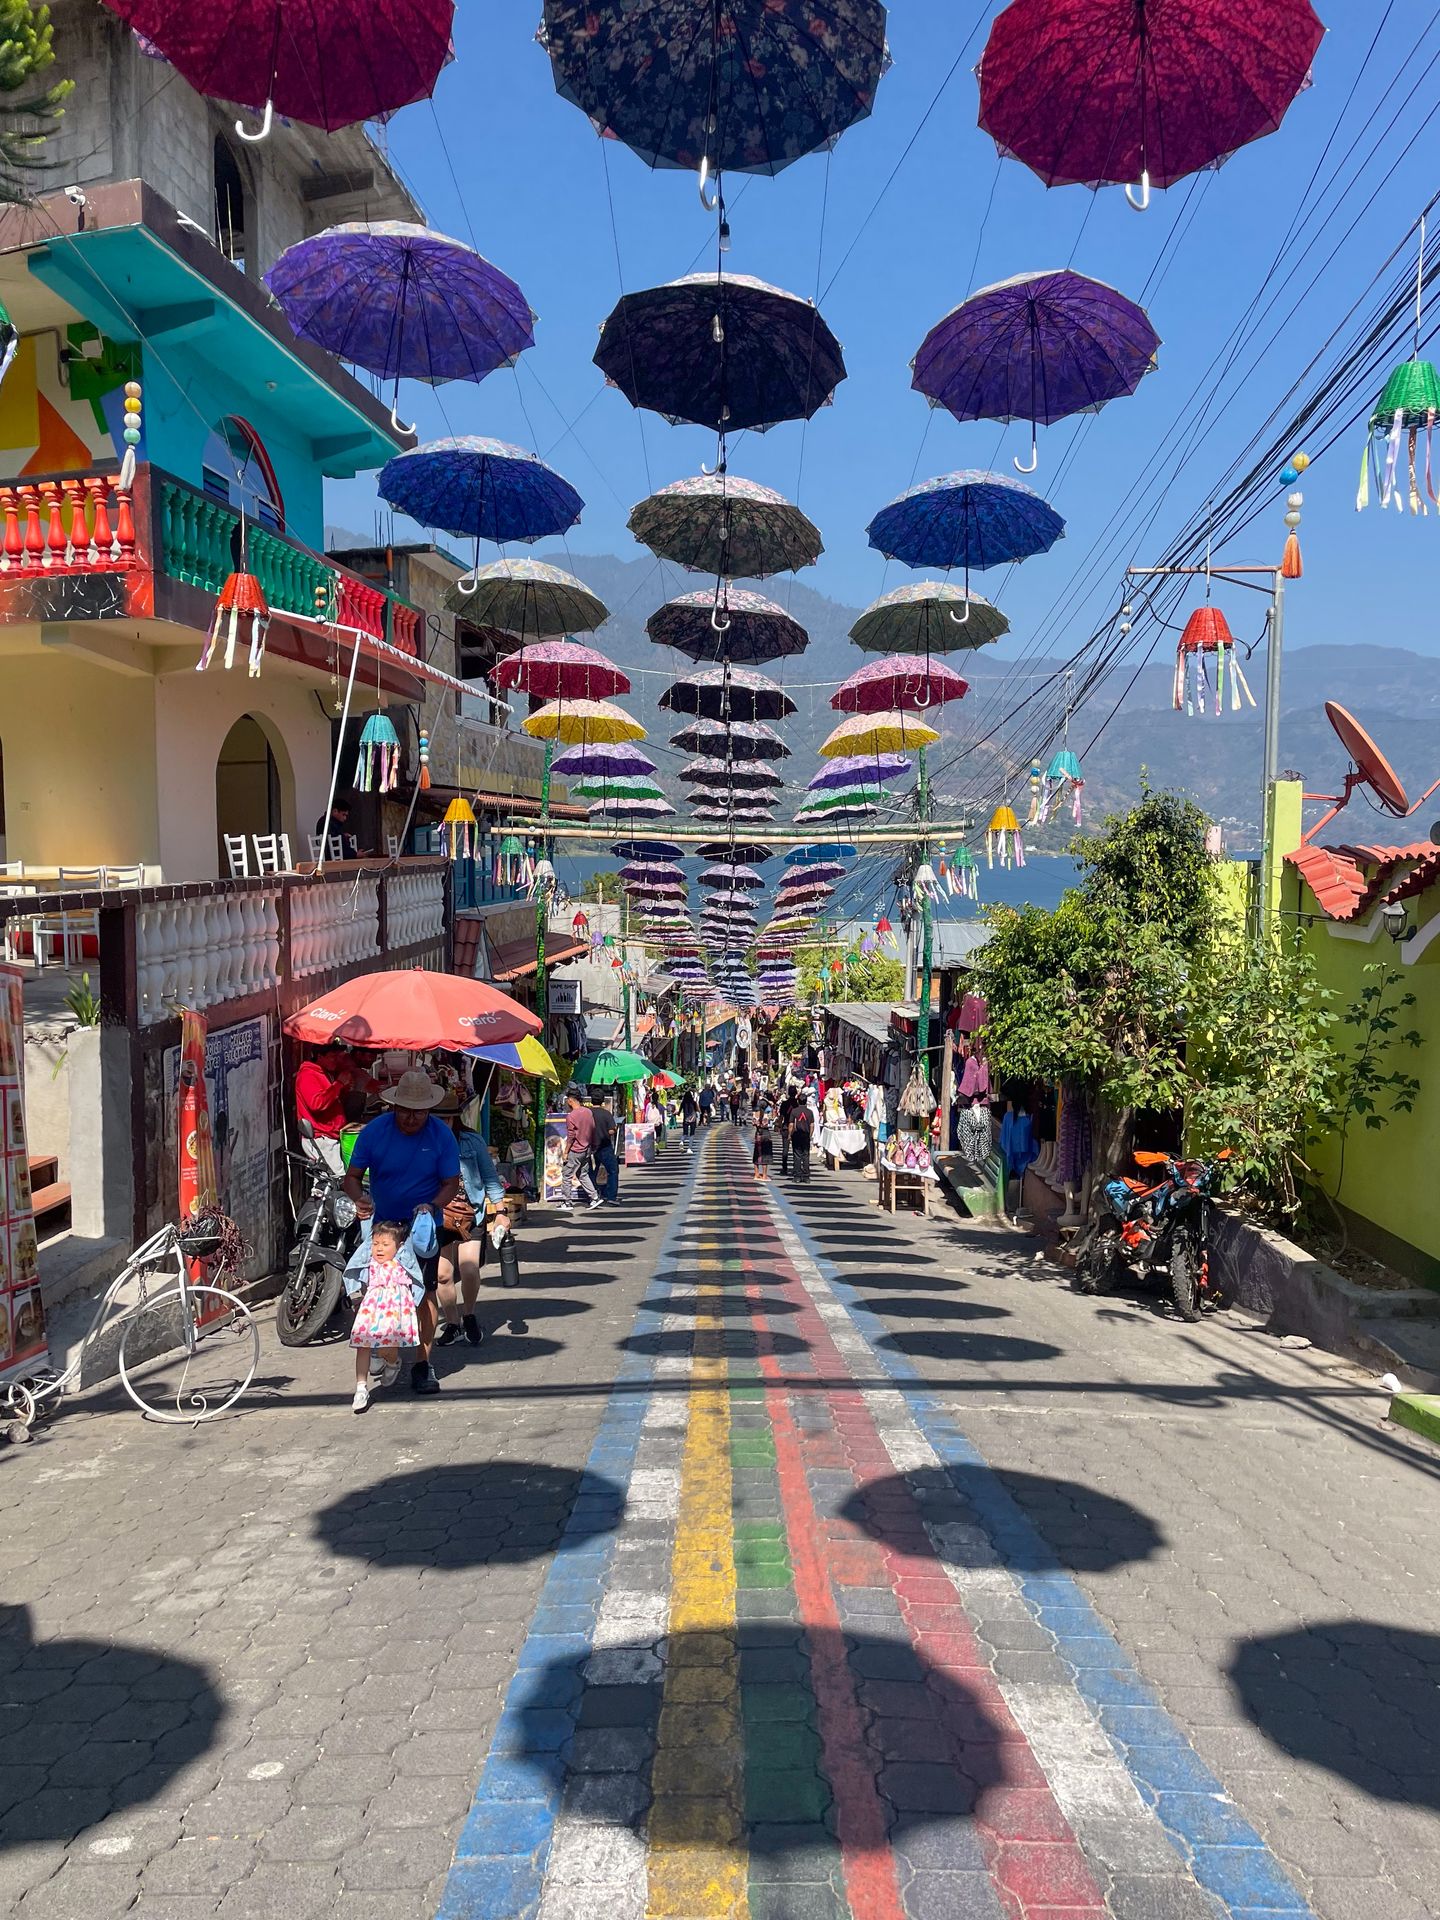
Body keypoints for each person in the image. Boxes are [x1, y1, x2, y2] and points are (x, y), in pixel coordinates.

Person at [342, 1069, 460, 1396]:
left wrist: (432, 1206)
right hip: (382, 1229)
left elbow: (451, 1183)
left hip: (423, 1229)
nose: (411, 1118)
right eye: (405, 1110)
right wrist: (359, 1197)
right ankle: (380, 1350)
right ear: (394, 1107)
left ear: (429, 1110)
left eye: (419, 1111)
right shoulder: (375, 1132)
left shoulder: (440, 1136)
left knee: (424, 1294)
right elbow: (351, 1177)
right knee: (374, 1293)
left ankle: (423, 1363)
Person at [435, 1095, 507, 1348]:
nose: (441, 1123)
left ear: (455, 1117)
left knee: (469, 1268)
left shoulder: (471, 1141)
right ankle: (453, 1323)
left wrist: (501, 1212)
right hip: (437, 1216)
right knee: (443, 1276)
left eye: (445, 1117)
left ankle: (470, 1314)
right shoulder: (422, 1143)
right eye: (436, 1117)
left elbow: (490, 1177)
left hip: (470, 1213)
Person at [348, 1221, 418, 1413]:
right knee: (362, 1346)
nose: (379, 1249)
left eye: (385, 1245)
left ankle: (393, 1363)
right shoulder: (368, 1263)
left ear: (398, 1247)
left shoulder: (402, 1261)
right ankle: (361, 1388)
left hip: (393, 1311)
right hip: (370, 1308)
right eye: (376, 1244)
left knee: (387, 1349)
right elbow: (354, 1268)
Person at [294, 1043, 351, 1174]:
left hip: (329, 1136)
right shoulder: (308, 1074)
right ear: (320, 1056)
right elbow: (317, 1103)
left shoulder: (325, 1072)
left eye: (338, 1056)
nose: (336, 1060)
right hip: (321, 1137)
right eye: (332, 1056)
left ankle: (318, 1194)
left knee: (326, 1181)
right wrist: (339, 1084)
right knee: (337, 1179)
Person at [558, 1086, 601, 1211]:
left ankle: (567, 1202)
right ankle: (594, 1197)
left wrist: (565, 1152)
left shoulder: (571, 1116)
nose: (566, 1102)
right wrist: (592, 1146)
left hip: (576, 1150)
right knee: (582, 1174)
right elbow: (593, 1128)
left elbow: (571, 1136)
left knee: (566, 1175)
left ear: (571, 1100)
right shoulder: (588, 1112)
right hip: (587, 1148)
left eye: (567, 1100)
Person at [589, 1091, 622, 1206]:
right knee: (612, 1171)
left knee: (592, 1172)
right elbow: (611, 1130)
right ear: (602, 1101)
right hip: (605, 1146)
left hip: (590, 1147)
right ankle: (611, 1196)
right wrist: (615, 1128)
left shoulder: (587, 1113)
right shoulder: (606, 1114)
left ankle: (594, 1195)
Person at [789, 1096, 813, 1185]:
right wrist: (810, 1135)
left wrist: (789, 1134)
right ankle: (806, 1176)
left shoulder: (794, 1111)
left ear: (798, 1101)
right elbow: (812, 1125)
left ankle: (797, 1176)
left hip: (797, 1135)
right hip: (806, 1135)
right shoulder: (810, 1112)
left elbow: (791, 1125)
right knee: (806, 1155)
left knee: (797, 1155)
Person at [777, 1090, 795, 1175]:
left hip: (785, 1127)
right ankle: (797, 1167)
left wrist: (779, 1126)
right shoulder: (797, 1104)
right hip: (795, 1128)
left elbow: (781, 1116)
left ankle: (784, 1168)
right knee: (796, 1149)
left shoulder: (784, 1104)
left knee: (785, 1148)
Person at [752, 1116, 773, 1182]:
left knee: (757, 1153)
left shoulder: (755, 1112)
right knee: (765, 1154)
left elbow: (753, 1123)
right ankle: (764, 1175)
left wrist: (757, 1124)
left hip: (758, 1134)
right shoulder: (765, 1113)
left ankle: (756, 1174)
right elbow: (766, 1124)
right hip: (764, 1134)